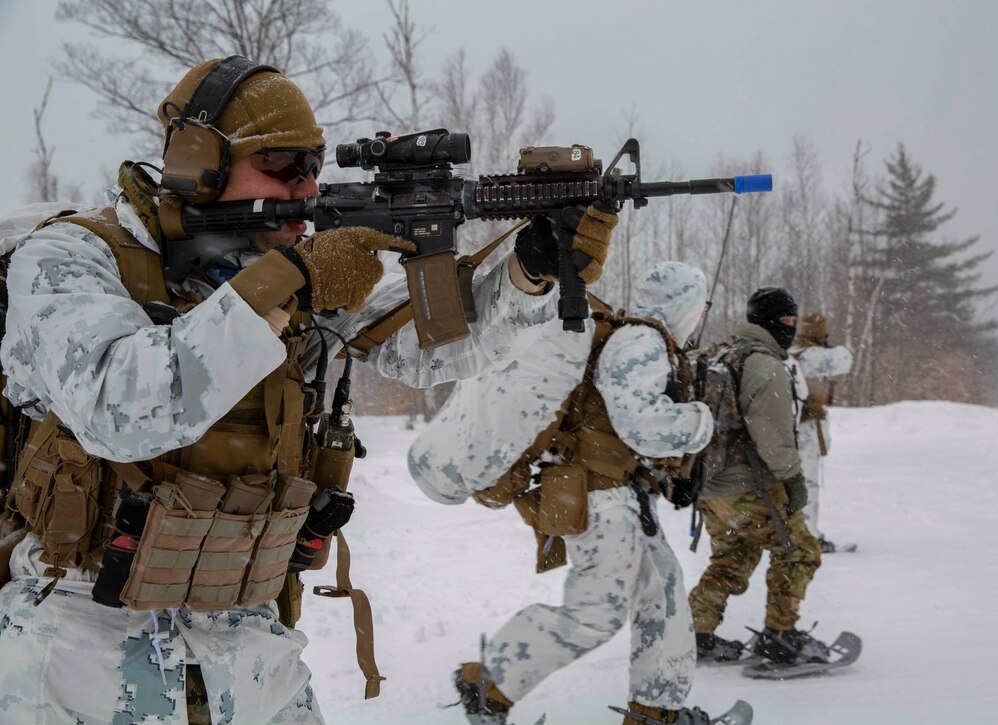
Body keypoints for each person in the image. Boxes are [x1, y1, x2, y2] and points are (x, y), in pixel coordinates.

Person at [0, 56, 616, 723]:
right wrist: (283, 281)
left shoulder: (283, 279)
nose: (309, 185)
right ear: (196, 161)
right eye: (286, 165)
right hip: (85, 648)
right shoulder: (71, 257)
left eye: (316, 165)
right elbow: (118, 409)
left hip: (250, 647)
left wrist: (528, 271)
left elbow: (424, 349)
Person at [410, 262, 751, 725]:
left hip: (618, 496)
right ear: (686, 303)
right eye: (701, 304)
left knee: (663, 596)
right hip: (603, 500)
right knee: (594, 614)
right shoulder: (643, 342)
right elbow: (642, 425)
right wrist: (698, 422)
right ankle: (489, 683)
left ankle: (657, 708)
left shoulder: (642, 338)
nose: (701, 314)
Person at [687, 287, 827, 666]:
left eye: (794, 321)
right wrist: (793, 479)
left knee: (733, 557)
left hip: (710, 489)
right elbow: (773, 433)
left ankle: (694, 635)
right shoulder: (763, 364)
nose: (791, 327)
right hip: (748, 488)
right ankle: (780, 636)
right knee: (800, 552)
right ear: (767, 321)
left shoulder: (724, 353)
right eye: (786, 320)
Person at [790, 313, 854, 553]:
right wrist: (827, 344)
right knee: (808, 485)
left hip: (789, 427)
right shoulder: (812, 356)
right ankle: (807, 536)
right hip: (805, 428)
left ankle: (793, 532)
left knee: (792, 485)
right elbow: (846, 359)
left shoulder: (791, 351)